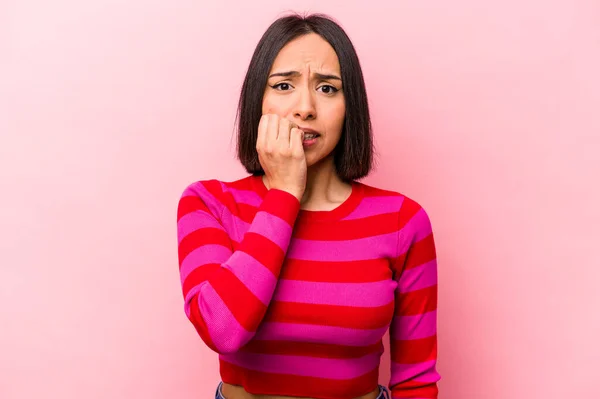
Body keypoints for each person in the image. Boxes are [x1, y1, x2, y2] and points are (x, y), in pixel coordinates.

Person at [176, 13, 440, 399]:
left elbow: (416, 380)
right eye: (284, 85)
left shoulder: (403, 221)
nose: (305, 108)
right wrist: (284, 193)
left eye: (328, 89)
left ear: (352, 106)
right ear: (257, 101)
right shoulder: (209, 203)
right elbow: (222, 329)